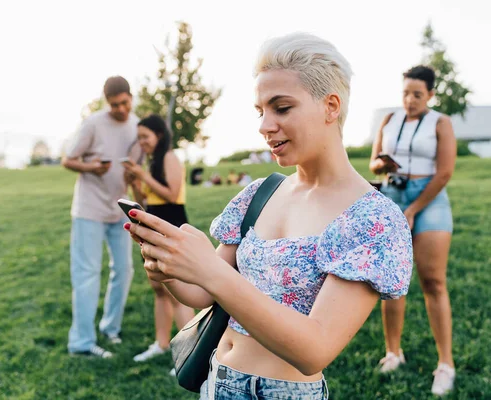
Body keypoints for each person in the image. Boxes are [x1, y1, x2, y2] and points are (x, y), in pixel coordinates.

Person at [124, 33, 413, 399]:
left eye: (282, 107)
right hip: (215, 380)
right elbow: (201, 293)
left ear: (331, 106)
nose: (264, 126)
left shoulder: (372, 219)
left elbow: (315, 350)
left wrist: (210, 271)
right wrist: (168, 265)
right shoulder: (261, 193)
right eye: (260, 111)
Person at [369, 65, 457, 396]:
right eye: (406, 93)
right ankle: (393, 353)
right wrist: (382, 165)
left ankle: (445, 364)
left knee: (433, 281)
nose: (410, 100)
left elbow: (445, 172)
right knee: (392, 281)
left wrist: (413, 210)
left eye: (417, 94)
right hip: (392, 195)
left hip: (429, 199)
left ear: (431, 95)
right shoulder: (389, 120)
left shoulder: (440, 123)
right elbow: (373, 162)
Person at [62, 76, 140, 358]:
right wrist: (93, 167)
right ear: (107, 103)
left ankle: (110, 328)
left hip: (119, 210)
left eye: (124, 102)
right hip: (89, 210)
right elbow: (68, 159)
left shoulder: (136, 125)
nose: (120, 109)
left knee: (124, 270)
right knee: (87, 274)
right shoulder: (93, 123)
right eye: (114, 105)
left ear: (131, 97)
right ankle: (81, 343)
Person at [122, 115, 196, 364]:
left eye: (145, 137)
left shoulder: (169, 158)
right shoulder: (154, 162)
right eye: (139, 138)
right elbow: (146, 202)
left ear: (159, 136)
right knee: (159, 289)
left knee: (178, 292)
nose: (142, 142)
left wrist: (142, 175)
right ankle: (161, 343)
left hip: (171, 224)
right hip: (153, 225)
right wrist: (134, 183)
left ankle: (189, 353)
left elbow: (171, 194)